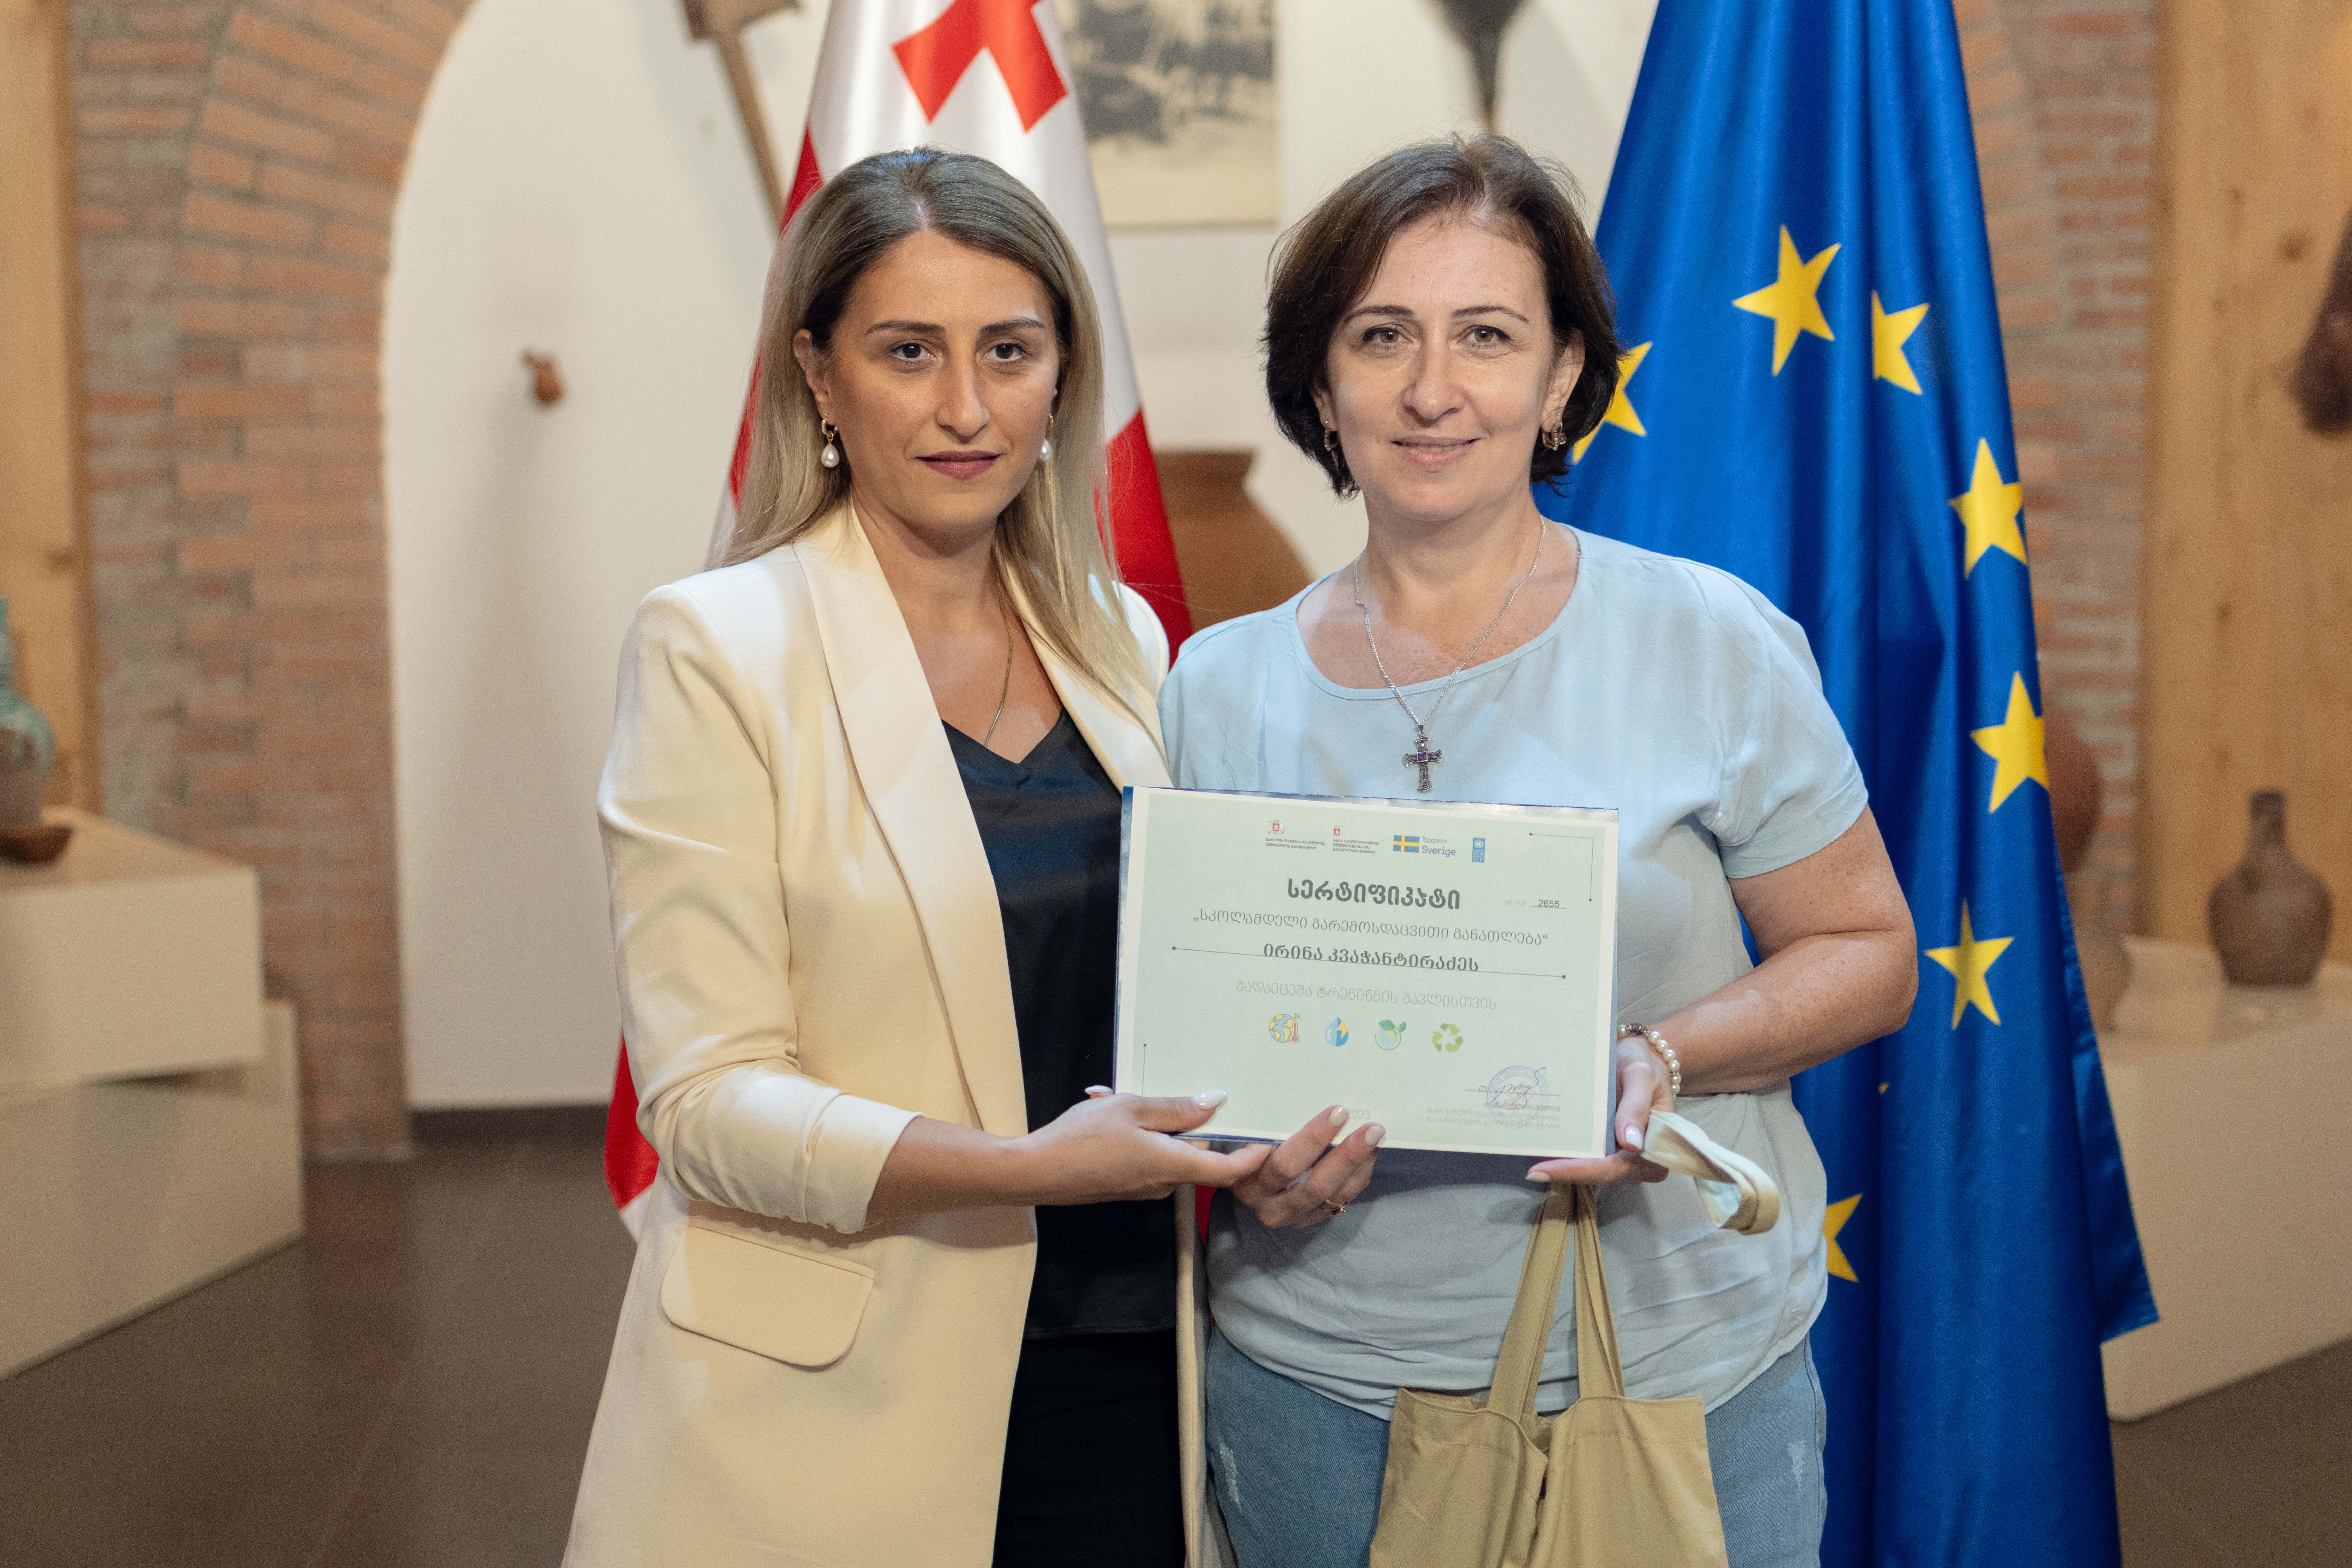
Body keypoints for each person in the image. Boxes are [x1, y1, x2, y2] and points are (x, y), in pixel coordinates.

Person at [1162, 136, 1919, 1568]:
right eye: (1381, 336)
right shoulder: (1214, 685)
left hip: (1683, 1371)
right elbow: (1206, 1037)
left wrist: (1664, 1056)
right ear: (1320, 384)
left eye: (1488, 336)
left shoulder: (1710, 638)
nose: (1432, 388)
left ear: (1566, 373)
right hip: (1323, 1381)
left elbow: (1870, 952)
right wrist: (1243, 1162)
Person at [563, 148, 1271, 1568]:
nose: (966, 406)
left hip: (1128, 1350)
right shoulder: (714, 647)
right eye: (908, 352)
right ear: (818, 375)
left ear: (1062, 377)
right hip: (839, 1387)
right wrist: (1024, 1168)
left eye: (1009, 350)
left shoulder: (1122, 637)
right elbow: (705, 1101)